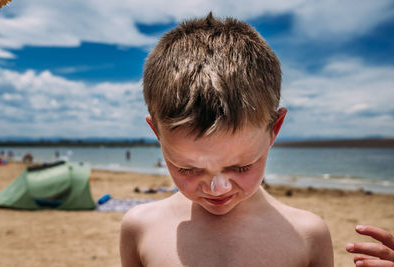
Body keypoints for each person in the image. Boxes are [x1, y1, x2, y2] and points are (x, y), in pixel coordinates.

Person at [120, 13, 334, 266]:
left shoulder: (308, 236)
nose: (217, 189)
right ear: (157, 133)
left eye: (241, 167)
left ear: (274, 129)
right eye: (187, 169)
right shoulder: (141, 228)